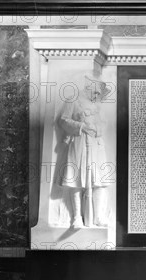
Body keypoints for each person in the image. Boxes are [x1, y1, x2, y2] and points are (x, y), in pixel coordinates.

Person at [58, 74, 110, 228]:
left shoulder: (98, 105)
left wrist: (97, 128)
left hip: (96, 144)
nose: (97, 95)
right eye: (95, 92)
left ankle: (98, 217)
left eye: (99, 93)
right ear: (89, 88)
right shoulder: (73, 101)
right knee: (76, 180)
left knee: (99, 181)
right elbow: (63, 120)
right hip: (79, 142)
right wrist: (81, 127)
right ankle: (76, 218)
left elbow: (104, 122)